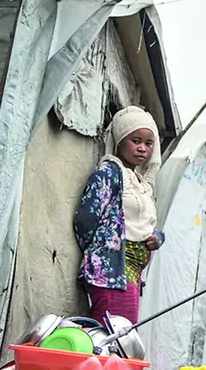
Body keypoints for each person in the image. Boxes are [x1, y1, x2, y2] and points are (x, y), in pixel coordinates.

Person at [73, 106, 166, 325]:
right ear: (120, 141)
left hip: (131, 274)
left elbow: (143, 224)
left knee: (119, 335)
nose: (143, 148)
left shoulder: (140, 183)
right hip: (111, 273)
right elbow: (86, 220)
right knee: (113, 336)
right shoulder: (109, 173)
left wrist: (157, 237)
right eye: (136, 141)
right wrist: (104, 251)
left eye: (148, 143)